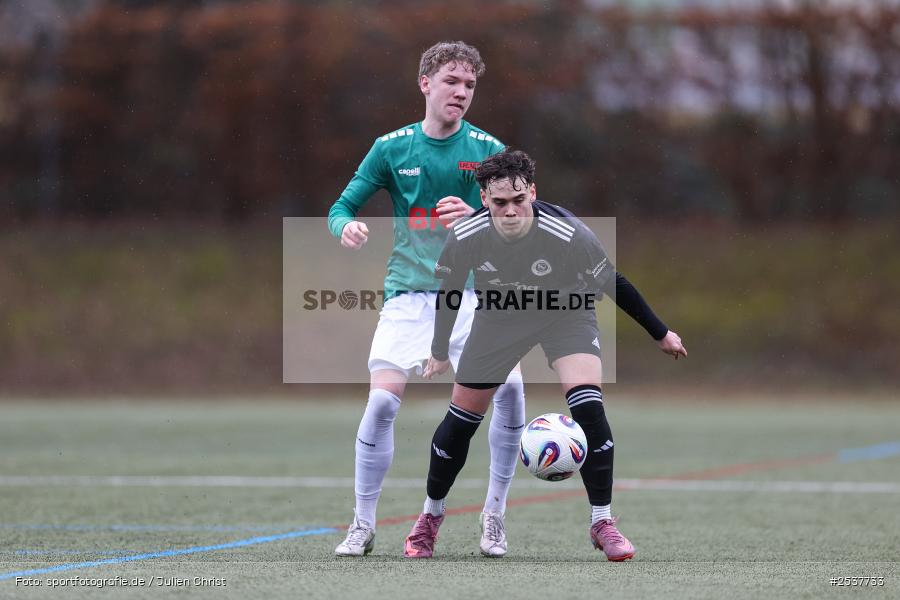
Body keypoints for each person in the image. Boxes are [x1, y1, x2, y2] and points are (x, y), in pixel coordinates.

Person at [403, 148, 687, 561]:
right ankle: (429, 518)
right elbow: (448, 295)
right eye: (500, 203)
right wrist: (439, 351)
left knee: (589, 409)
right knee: (461, 421)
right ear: (484, 199)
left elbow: (613, 282)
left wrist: (660, 333)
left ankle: (603, 522)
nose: (511, 211)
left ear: (532, 192)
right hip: (499, 319)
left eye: (519, 200)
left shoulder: (568, 232)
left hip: (566, 315)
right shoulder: (466, 235)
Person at [327, 41, 526, 557]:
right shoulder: (392, 148)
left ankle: (494, 517)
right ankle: (362, 525)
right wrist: (345, 227)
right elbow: (340, 207)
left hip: (478, 299)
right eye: (452, 82)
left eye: (469, 86)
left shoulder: (489, 151)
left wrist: (482, 216)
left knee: (510, 395)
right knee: (380, 405)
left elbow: (519, 223)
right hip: (409, 297)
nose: (461, 93)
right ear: (426, 84)